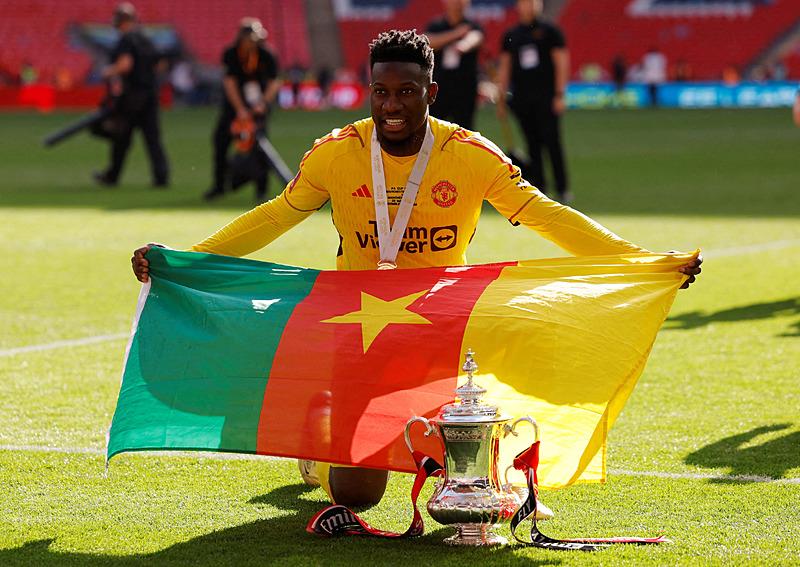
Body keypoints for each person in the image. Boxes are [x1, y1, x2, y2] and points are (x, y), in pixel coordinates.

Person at [132, 29, 702, 508]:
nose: (391, 106)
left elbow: (546, 216)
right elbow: (276, 215)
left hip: (439, 328)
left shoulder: (471, 156)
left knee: (463, 472)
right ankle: (322, 448)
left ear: (431, 91)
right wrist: (188, 259)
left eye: (406, 92)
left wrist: (637, 260)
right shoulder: (336, 153)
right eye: (380, 92)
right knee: (357, 496)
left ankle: (374, 437)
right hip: (357, 328)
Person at [496, 0, 571, 203]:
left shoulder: (550, 32)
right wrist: (501, 99)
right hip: (522, 99)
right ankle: (539, 187)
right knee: (532, 144)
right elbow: (505, 67)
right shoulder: (512, 35)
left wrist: (560, 94)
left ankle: (562, 188)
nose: (529, 6)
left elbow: (561, 62)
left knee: (552, 142)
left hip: (547, 98)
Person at [204, 18, 280, 203]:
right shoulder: (231, 54)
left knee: (259, 148)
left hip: (258, 108)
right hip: (233, 108)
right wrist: (240, 109)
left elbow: (274, 82)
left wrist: (263, 103)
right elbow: (229, 83)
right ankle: (219, 185)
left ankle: (261, 190)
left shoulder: (266, 54)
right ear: (242, 38)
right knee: (220, 142)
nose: (254, 43)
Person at [93, 3, 169, 188]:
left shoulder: (126, 40)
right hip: (149, 95)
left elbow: (125, 65)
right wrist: (147, 78)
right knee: (152, 138)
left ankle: (112, 176)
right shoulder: (146, 39)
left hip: (132, 97)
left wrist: (107, 72)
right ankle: (161, 177)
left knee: (121, 137)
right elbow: (161, 64)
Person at [425, 0, 484, 130]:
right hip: (438, 88)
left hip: (464, 88)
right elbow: (428, 42)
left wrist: (463, 45)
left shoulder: (472, 25)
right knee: (434, 128)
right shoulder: (436, 26)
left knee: (464, 129)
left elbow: (475, 38)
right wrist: (456, 34)